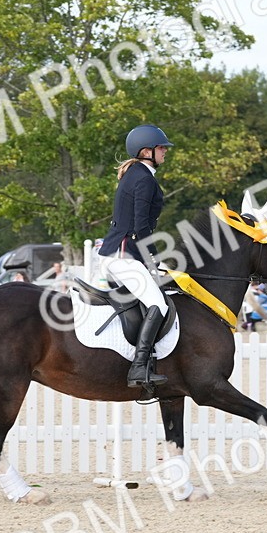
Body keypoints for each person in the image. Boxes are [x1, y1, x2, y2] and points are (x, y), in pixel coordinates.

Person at [98, 123, 172, 391]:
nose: (165, 151)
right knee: (158, 304)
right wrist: (154, 258)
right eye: (161, 147)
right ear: (146, 151)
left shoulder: (137, 174)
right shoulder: (143, 178)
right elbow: (141, 226)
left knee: (148, 300)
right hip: (123, 254)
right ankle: (139, 366)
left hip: (120, 252)